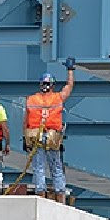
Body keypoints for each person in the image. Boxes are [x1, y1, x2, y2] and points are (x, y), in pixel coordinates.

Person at [24, 57, 75, 202]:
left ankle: (40, 195)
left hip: (35, 137)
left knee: (39, 167)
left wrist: (26, 139)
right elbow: (69, 86)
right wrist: (70, 70)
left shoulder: (31, 99)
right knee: (56, 168)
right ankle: (60, 196)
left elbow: (26, 121)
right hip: (53, 137)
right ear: (52, 85)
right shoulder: (57, 98)